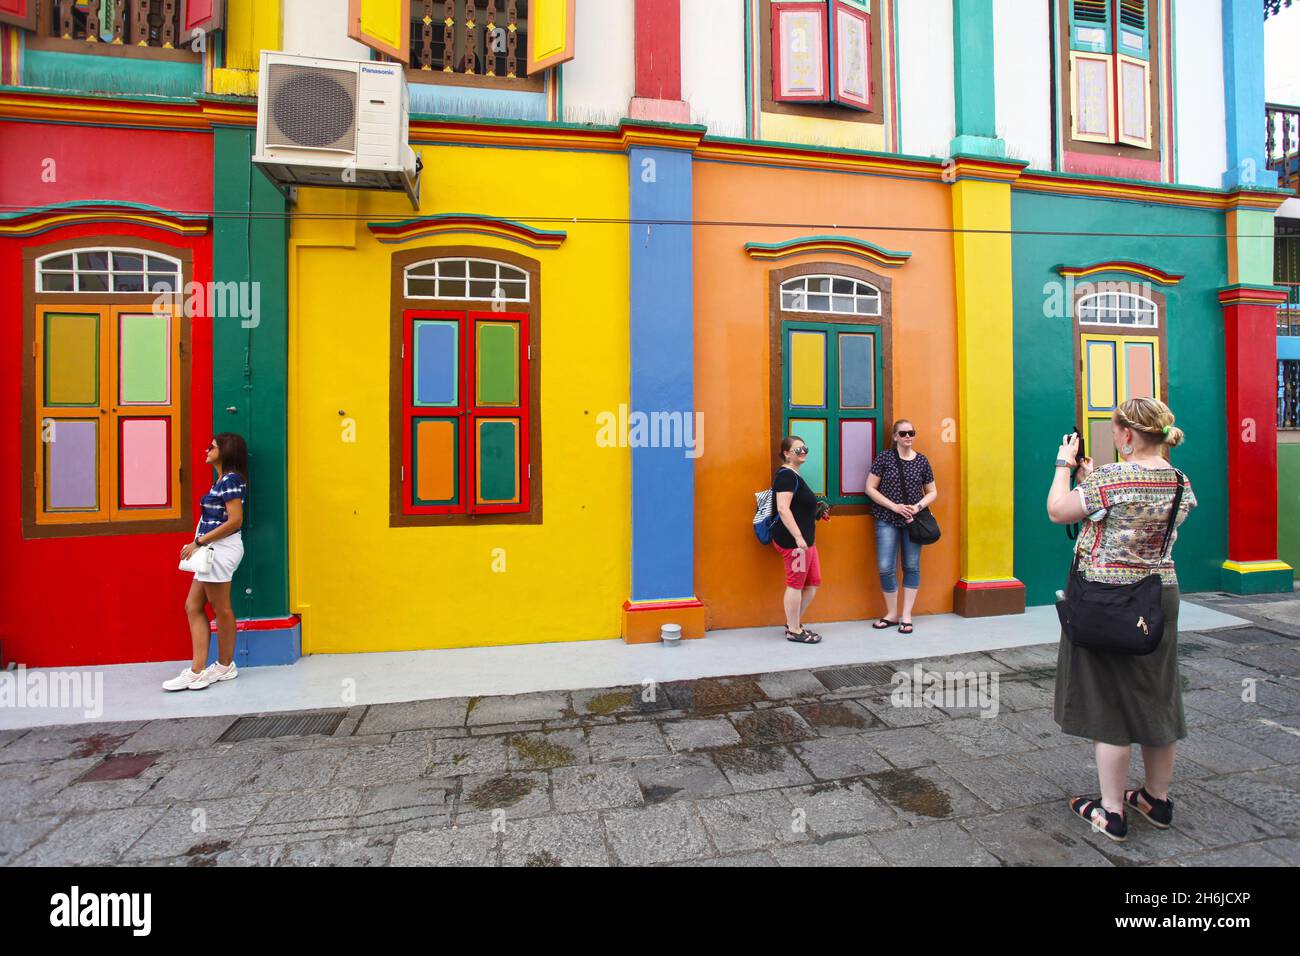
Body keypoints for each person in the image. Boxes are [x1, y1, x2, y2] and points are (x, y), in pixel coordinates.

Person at [1046, 397, 1196, 842]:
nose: (1114, 437)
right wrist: (1092, 480)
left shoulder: (1113, 477)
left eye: (1115, 431)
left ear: (1128, 435)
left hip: (1105, 599)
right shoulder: (1178, 481)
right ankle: (1157, 799)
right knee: (1157, 693)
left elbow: (1057, 511)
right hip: (1159, 594)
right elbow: (1138, 522)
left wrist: (1062, 465)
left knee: (1107, 699)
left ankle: (1110, 811)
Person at [163, 433, 249, 691]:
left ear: (226, 451)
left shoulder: (231, 480)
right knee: (193, 606)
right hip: (213, 548)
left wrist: (198, 543)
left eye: (211, 446)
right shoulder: (222, 480)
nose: (206, 449)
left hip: (220, 550)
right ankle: (209, 667)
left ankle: (212, 668)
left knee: (220, 608)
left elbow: (235, 520)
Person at [865, 419, 937, 634]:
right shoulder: (884, 459)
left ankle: (906, 614)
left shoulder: (922, 461)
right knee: (886, 567)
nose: (908, 437)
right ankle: (891, 614)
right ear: (895, 436)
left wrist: (917, 507)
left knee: (912, 566)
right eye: (903, 433)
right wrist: (894, 507)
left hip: (913, 521)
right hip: (886, 518)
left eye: (911, 433)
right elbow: (869, 488)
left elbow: (933, 491)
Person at [771, 435, 829, 644]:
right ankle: (794, 630)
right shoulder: (786, 476)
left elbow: (798, 507)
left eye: (804, 448)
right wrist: (797, 537)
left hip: (806, 541)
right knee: (795, 584)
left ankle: (792, 622)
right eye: (797, 449)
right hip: (794, 544)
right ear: (786, 454)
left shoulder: (795, 475)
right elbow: (783, 508)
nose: (802, 451)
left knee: (812, 583)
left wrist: (817, 511)